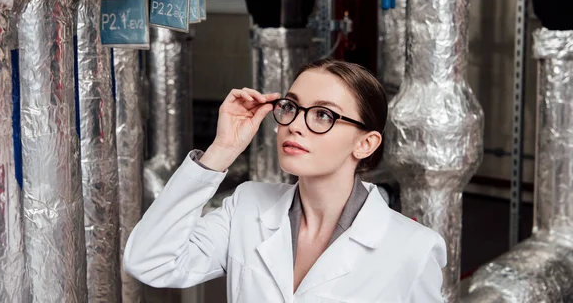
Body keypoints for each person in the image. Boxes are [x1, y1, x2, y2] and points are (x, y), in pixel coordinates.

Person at [124, 58, 447, 302]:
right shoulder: (247, 206)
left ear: (365, 143)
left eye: (323, 114)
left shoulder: (413, 248)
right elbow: (151, 262)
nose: (295, 125)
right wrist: (223, 149)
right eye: (291, 107)